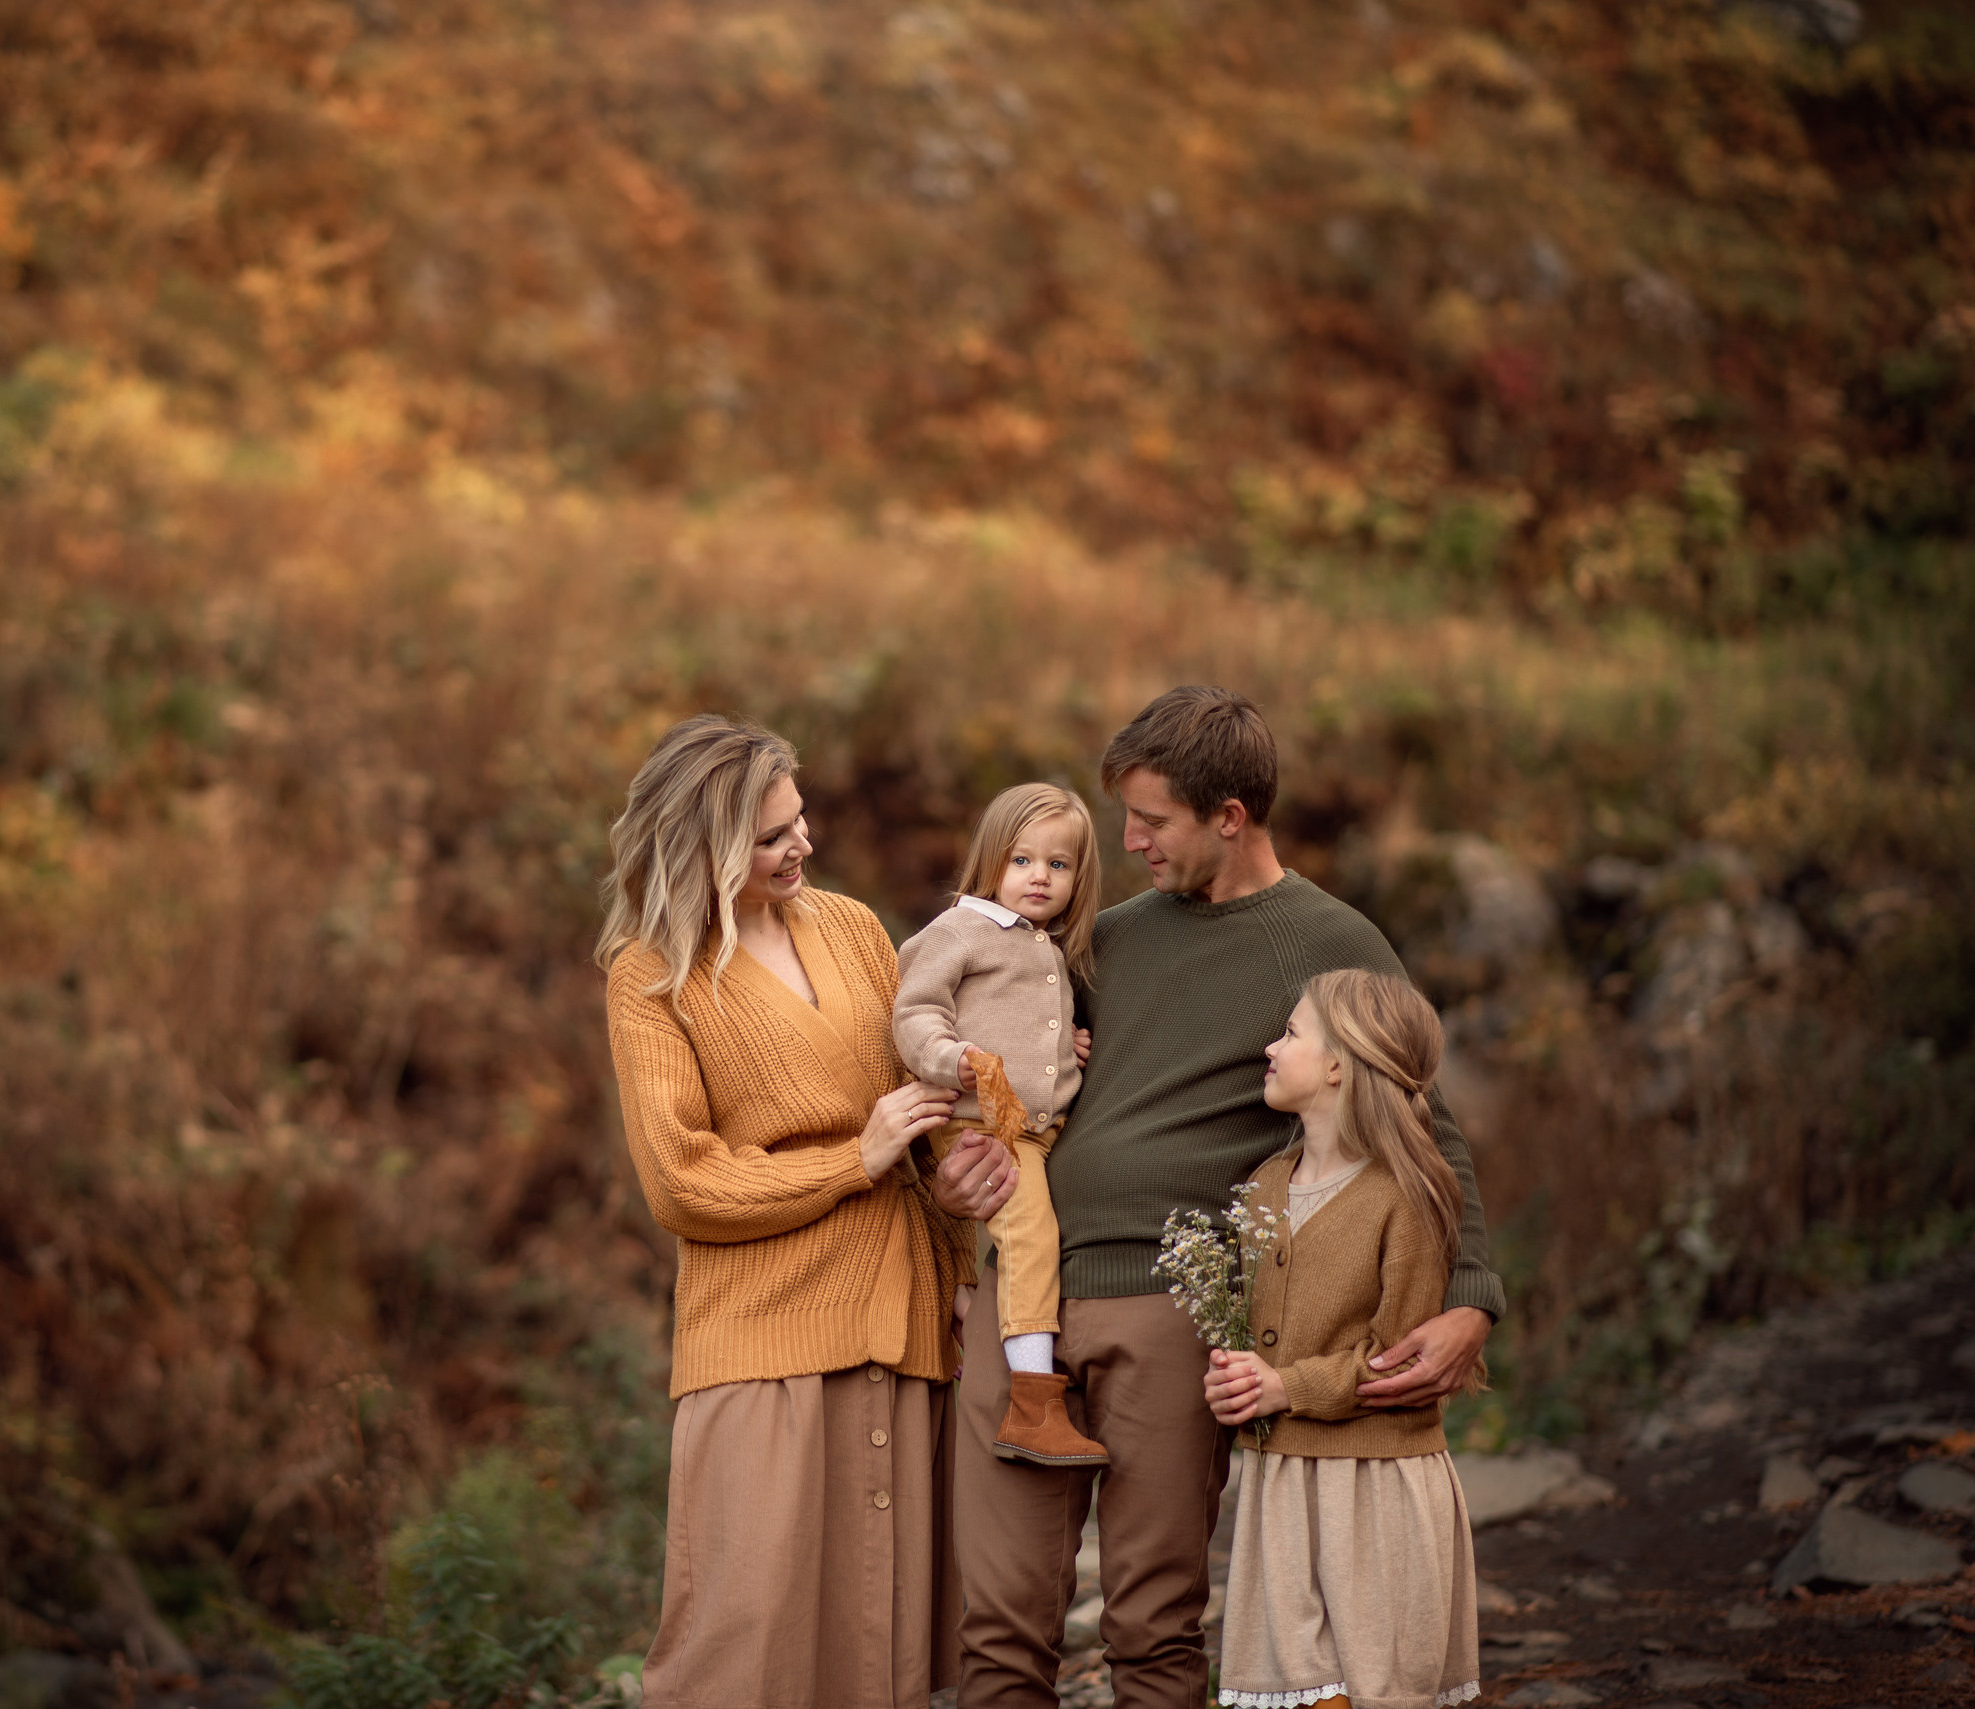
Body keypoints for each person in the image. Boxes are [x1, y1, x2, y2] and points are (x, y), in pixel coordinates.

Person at [942, 686, 1503, 1709]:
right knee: (996, 1622)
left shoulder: (1326, 939)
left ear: (1228, 816)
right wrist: (955, 1168)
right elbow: (1004, 1074)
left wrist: (1467, 1288)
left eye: (1151, 820)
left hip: (1169, 1304)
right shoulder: (1101, 936)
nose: (1130, 840)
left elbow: (1424, 1119)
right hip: (1018, 1299)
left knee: (1152, 1624)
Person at [599, 714, 1018, 1709]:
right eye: (773, 834)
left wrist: (959, 1245)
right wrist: (855, 1156)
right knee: (740, 1651)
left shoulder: (854, 927)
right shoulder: (651, 978)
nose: (803, 844)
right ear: (702, 844)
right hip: (762, 1331)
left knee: (882, 1648)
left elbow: (919, 1120)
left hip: (904, 1317)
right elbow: (680, 1180)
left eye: (801, 820)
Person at [1205, 969, 1483, 1709]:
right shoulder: (1265, 1185)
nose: (1269, 1045)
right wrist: (1236, 1376)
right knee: (1297, 1687)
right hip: (1283, 1481)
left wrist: (1283, 1385)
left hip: (1374, 1486)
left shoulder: (1406, 1193)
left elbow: (1398, 1365)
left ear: (1338, 1065)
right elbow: (1258, 1329)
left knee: (1379, 1687)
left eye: (1290, 1031)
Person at [893, 783, 1105, 1468]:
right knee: (1030, 1233)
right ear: (992, 863)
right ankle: (1032, 1402)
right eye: (1021, 860)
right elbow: (915, 1015)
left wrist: (1065, 1053)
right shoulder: (959, 931)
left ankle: (1007, 1351)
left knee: (1036, 1234)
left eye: (1059, 864)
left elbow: (1026, 1026)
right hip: (977, 1124)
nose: (1039, 876)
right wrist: (957, 1061)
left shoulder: (1045, 945)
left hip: (1035, 1128)